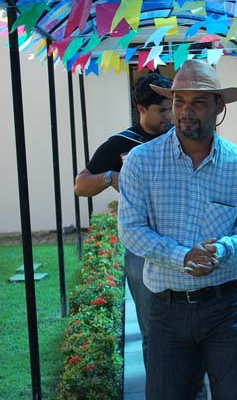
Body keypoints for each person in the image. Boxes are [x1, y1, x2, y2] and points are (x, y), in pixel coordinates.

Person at [118, 59, 237, 400]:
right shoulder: (142, 161)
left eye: (198, 102)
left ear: (219, 106)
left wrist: (222, 251)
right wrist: (182, 256)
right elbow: (131, 228)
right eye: (179, 101)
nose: (186, 111)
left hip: (227, 308)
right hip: (166, 311)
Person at [74, 72, 173, 368]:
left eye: (171, 108)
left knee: (188, 328)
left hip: (181, 240)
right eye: (161, 110)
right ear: (141, 109)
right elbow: (81, 186)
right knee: (152, 329)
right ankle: (159, 386)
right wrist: (110, 176)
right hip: (141, 249)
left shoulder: (181, 137)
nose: (169, 116)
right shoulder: (121, 143)